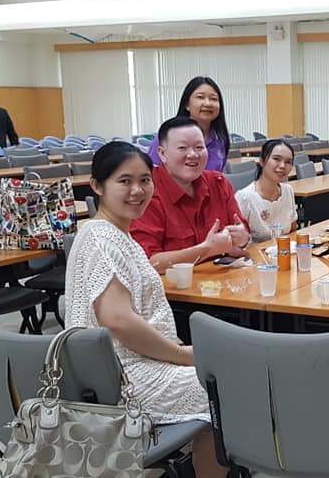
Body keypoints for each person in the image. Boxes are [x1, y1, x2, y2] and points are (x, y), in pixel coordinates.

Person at [64, 141, 226, 478]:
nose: (137, 191)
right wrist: (180, 355)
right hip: (120, 376)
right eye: (124, 181)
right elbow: (117, 320)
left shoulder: (116, 233)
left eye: (144, 180)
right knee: (225, 384)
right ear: (97, 186)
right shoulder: (102, 238)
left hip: (128, 364)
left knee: (226, 376)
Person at [131, 116, 250, 270]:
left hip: (220, 279)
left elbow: (241, 234)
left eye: (199, 147)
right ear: (162, 154)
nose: (193, 154)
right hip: (173, 284)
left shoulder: (218, 183)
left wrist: (242, 238)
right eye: (183, 148)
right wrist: (207, 249)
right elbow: (150, 263)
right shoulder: (146, 192)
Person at [147, 76, 231, 172]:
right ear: (187, 104)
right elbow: (151, 173)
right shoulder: (168, 136)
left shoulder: (219, 140)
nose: (208, 103)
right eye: (200, 97)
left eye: (213, 98)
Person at [235, 139, 298, 242]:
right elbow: (236, 243)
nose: (282, 166)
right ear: (262, 161)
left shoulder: (288, 191)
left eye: (288, 162)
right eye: (276, 159)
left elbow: (293, 232)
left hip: (284, 250)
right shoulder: (244, 198)